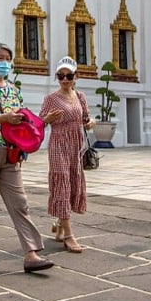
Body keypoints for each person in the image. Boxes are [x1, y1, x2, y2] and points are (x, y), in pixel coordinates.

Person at [0, 40, 53, 273]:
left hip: (10, 152)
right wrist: (3, 118)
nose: (4, 63)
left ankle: (31, 252)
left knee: (20, 202)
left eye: (7, 58)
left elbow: (20, 120)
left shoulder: (14, 90)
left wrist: (22, 146)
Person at [40, 56, 94, 253]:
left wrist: (90, 123)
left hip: (76, 144)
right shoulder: (51, 99)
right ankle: (69, 236)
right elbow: (38, 123)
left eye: (68, 76)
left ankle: (61, 224)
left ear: (76, 76)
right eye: (60, 76)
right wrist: (47, 118)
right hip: (58, 143)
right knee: (62, 182)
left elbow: (86, 119)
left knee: (73, 182)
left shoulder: (80, 96)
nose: (64, 80)